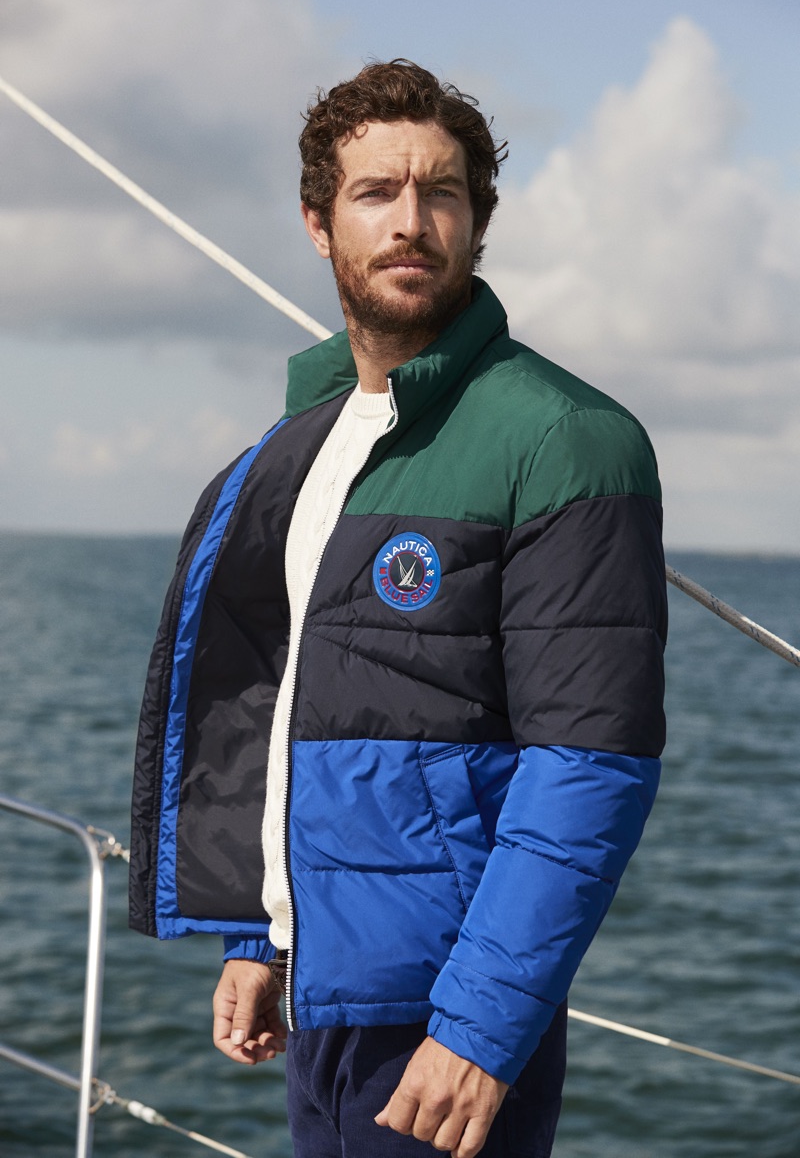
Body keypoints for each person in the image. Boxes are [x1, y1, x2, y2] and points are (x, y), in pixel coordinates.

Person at [129, 60, 667, 1158]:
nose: (411, 221)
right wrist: (262, 934)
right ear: (319, 223)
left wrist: (478, 1032)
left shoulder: (565, 437)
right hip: (321, 987)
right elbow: (290, 703)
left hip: (446, 1017)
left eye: (442, 193)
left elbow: (588, 765)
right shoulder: (307, 443)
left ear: (478, 221)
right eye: (376, 192)